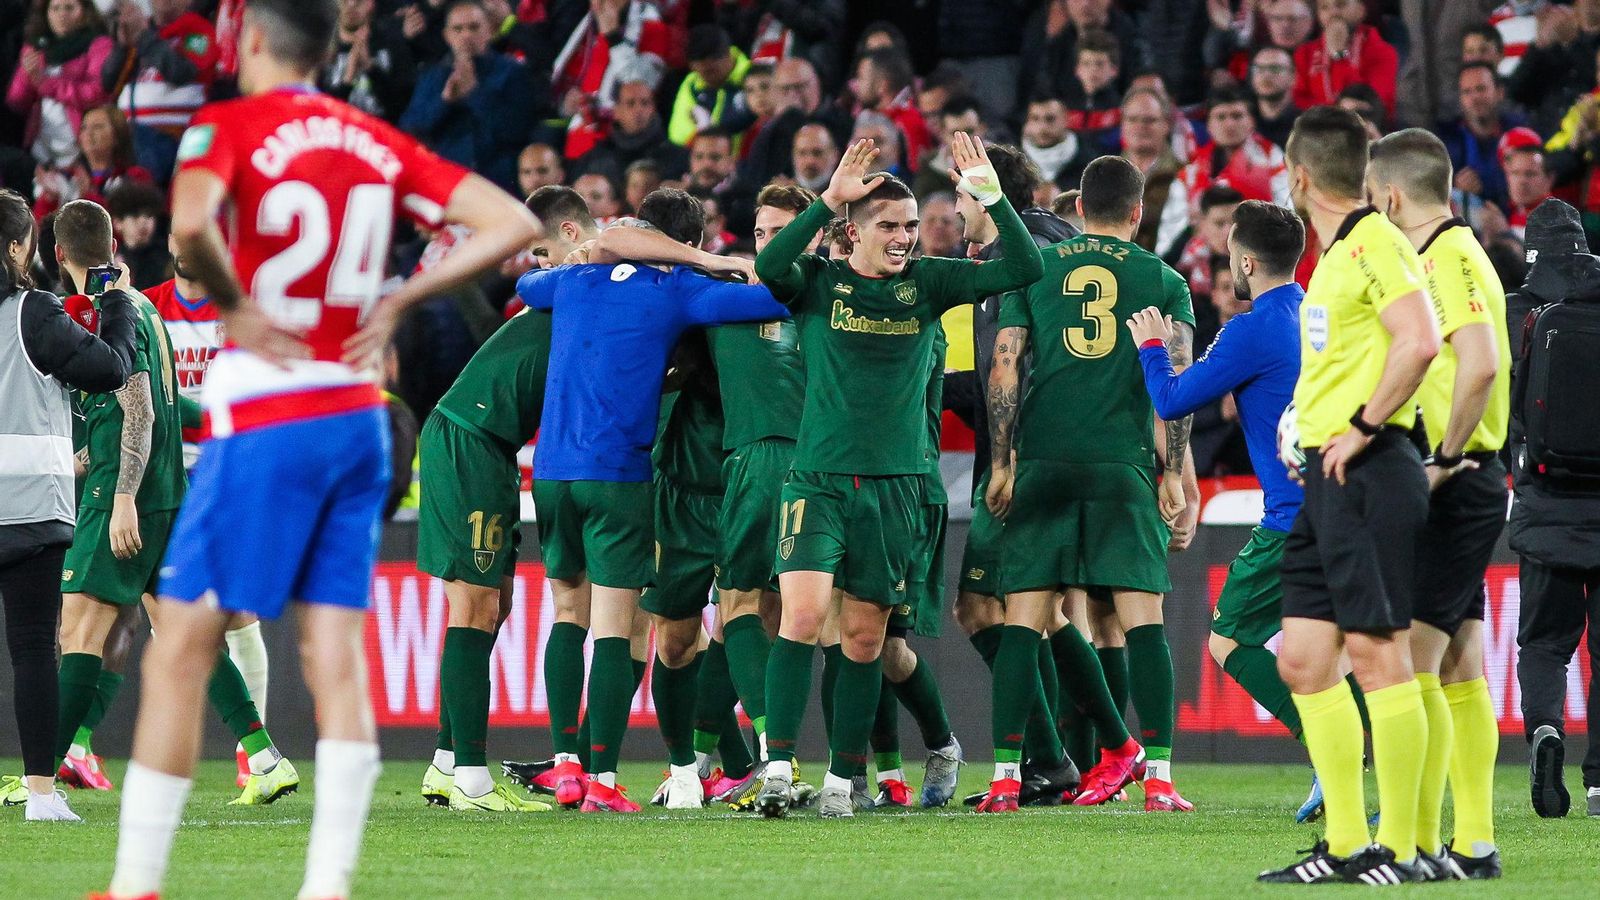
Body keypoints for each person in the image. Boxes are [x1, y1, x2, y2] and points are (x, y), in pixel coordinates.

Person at [96, 2, 540, 897]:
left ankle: (137, 884)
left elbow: (188, 230)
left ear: (251, 40)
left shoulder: (225, 126)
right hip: (357, 420)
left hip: (267, 413)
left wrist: (235, 301)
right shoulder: (377, 141)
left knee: (180, 643)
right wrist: (407, 296)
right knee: (332, 648)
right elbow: (511, 223)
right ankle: (327, 885)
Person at [750, 134, 1044, 819]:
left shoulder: (932, 282)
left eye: (912, 226)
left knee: (864, 639)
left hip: (897, 487)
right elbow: (768, 263)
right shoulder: (820, 284)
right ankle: (776, 768)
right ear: (852, 229)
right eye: (889, 226)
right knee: (799, 616)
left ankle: (839, 782)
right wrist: (824, 199)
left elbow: (1025, 267)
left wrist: (992, 195)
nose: (905, 238)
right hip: (817, 478)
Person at [517, 187, 786, 814]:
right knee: (618, 627)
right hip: (619, 473)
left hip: (550, 472)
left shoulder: (570, 281)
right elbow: (774, 296)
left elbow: (531, 286)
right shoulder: (679, 291)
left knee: (566, 612)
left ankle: (565, 767)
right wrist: (728, 263)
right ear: (686, 246)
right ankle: (605, 783)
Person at [46, 198, 296, 808]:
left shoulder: (106, 312)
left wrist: (123, 494)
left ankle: (41, 775)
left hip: (124, 496)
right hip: (171, 492)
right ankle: (264, 757)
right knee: (181, 626)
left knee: (80, 628)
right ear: (113, 246)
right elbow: (161, 399)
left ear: (57, 252)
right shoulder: (144, 308)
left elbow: (139, 406)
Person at [1258, 106, 1441, 885]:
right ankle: (1343, 844)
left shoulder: (1373, 244)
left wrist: (1362, 426)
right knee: (1303, 661)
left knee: (1378, 657)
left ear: (1299, 177)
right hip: (1326, 480)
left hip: (1371, 473)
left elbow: (1421, 337)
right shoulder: (1332, 258)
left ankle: (1397, 848)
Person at [983, 154, 1196, 814]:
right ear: (1138, 212)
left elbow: (1004, 367)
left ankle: (1004, 780)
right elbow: (1180, 382)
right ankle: (1157, 777)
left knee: (1022, 620)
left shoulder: (1037, 268)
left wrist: (1001, 461)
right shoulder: (1164, 280)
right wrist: (1172, 474)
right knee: (1141, 621)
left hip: (1044, 461)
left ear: (1078, 212)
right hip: (1122, 464)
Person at [1127, 199, 1314, 813]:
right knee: (1343, 647)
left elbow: (1175, 398)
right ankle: (1369, 757)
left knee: (1229, 643)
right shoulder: (1320, 313)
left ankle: (1335, 748)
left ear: (1248, 260)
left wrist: (1153, 345)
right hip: (1346, 510)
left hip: (1290, 519)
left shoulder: (1250, 327)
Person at [1368, 128, 1510, 879]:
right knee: (1457, 664)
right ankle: (1474, 843)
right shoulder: (1459, 253)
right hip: (1478, 479)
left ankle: (1414, 845)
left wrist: (1443, 459)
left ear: (1390, 196)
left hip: (1458, 478)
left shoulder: (1445, 256)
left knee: (1411, 665)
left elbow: (1480, 363)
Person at [950, 141, 1084, 807]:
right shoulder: (1061, 240)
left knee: (982, 609)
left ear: (985, 192)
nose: (955, 211)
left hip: (1020, 456)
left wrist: (1003, 462)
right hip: (1070, 446)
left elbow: (1010, 368)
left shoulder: (1011, 256)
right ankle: (1072, 757)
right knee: (1047, 613)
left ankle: (1065, 758)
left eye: (961, 195)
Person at [0, 187, 134, 821]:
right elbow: (109, 368)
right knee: (33, 651)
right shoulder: (33, 312)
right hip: (28, 511)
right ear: (18, 247)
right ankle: (41, 795)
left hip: (26, 509)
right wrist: (115, 302)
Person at [1504, 199, 1600, 820]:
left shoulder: (1517, 313)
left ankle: (1545, 731)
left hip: (1545, 499)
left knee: (1543, 643)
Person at [398, 0, 536, 193]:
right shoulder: (433, 75)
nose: (466, 35)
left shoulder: (512, 72)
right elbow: (410, 129)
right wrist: (444, 101)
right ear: (446, 35)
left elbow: (516, 130)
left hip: (499, 186)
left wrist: (475, 94)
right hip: (448, 185)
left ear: (489, 30)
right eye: (458, 29)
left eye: (474, 27)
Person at [1156, 86, 1291, 259]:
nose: (1229, 124)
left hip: (1260, 259)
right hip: (1200, 268)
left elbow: (1287, 220)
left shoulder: (1273, 161)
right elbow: (1169, 236)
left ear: (1252, 121)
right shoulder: (1190, 174)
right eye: (1221, 117)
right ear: (1209, 125)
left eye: (1237, 116)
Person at [103, 0, 220, 183]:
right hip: (130, 137)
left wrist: (143, 36)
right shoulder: (142, 30)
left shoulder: (198, 29)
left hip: (174, 138)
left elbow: (181, 71)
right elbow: (108, 83)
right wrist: (121, 47)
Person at [6, 0, 113, 170]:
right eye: (55, 8)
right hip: (41, 149)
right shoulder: (37, 47)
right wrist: (28, 75)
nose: (62, 14)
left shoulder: (99, 44)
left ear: (85, 11)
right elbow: (16, 101)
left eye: (69, 8)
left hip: (81, 147)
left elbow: (97, 93)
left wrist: (46, 84)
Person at [1291, 0, 1399, 116]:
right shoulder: (1305, 53)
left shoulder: (1382, 51)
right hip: (1317, 129)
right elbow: (1298, 102)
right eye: (1324, 7)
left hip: (1368, 128)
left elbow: (1368, 103)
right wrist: (1335, 107)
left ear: (1361, 10)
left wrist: (1340, 55)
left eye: (1341, 5)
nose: (1333, 13)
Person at [319, 0, 417, 121]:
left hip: (379, 134)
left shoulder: (392, 44)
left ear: (371, 3)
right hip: (334, 133)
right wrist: (348, 79)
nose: (352, 4)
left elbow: (401, 106)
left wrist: (370, 68)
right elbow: (318, 108)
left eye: (359, 1)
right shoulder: (320, 47)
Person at [668, 24, 749, 147]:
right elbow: (678, 135)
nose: (706, 77)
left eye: (711, 71)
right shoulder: (692, 85)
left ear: (728, 55)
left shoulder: (755, 79)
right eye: (700, 71)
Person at [1250, 45, 1301, 149]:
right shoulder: (1244, 124)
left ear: (1293, 77)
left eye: (1275, 69)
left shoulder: (1305, 126)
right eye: (1258, 69)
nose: (1266, 75)